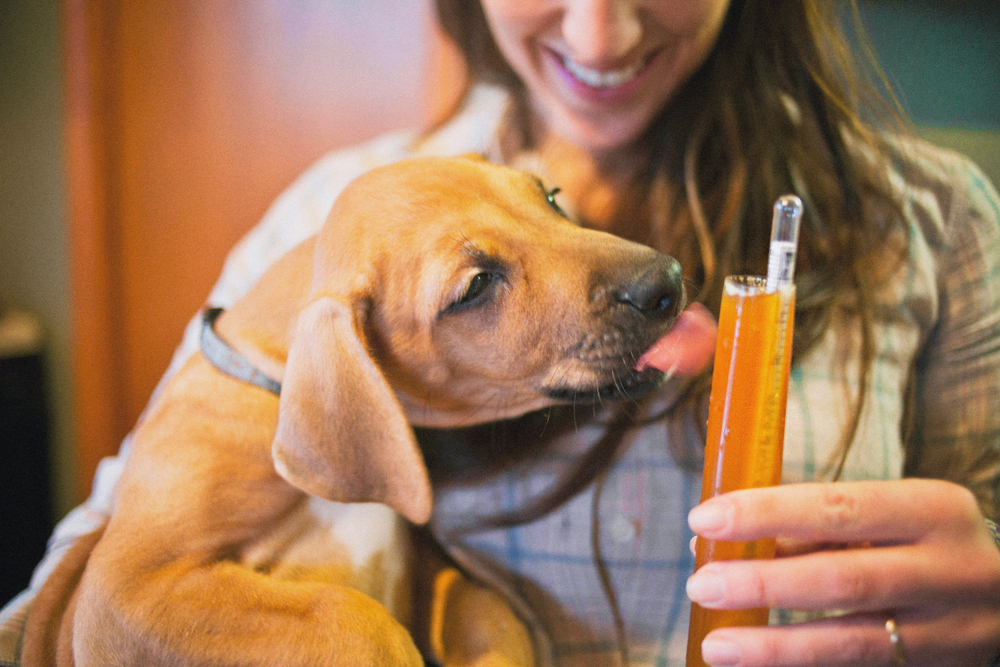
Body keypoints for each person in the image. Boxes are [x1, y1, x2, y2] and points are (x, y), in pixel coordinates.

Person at [3, 0, 999, 665]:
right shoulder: (330, 232)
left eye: (544, 201)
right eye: (478, 282)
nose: (602, 35)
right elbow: (92, 571)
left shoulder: (934, 220)